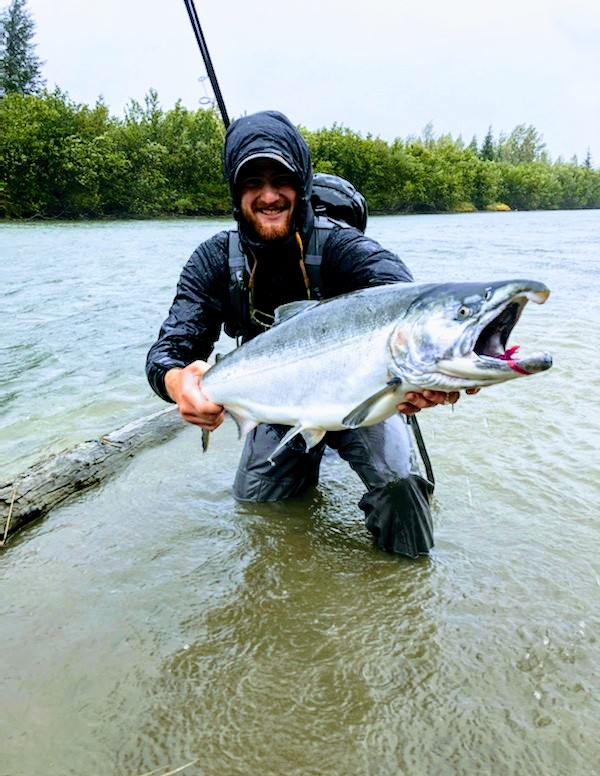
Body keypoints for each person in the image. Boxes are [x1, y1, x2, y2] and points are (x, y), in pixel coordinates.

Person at [146, 110, 470, 558]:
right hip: (277, 400)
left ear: (303, 184)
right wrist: (178, 382)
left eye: (281, 179)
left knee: (402, 489)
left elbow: (405, 302)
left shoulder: (346, 248)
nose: (268, 195)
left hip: (367, 396)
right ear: (235, 193)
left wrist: (433, 374)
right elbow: (169, 351)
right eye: (252, 182)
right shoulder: (214, 260)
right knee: (256, 506)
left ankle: (406, 591)